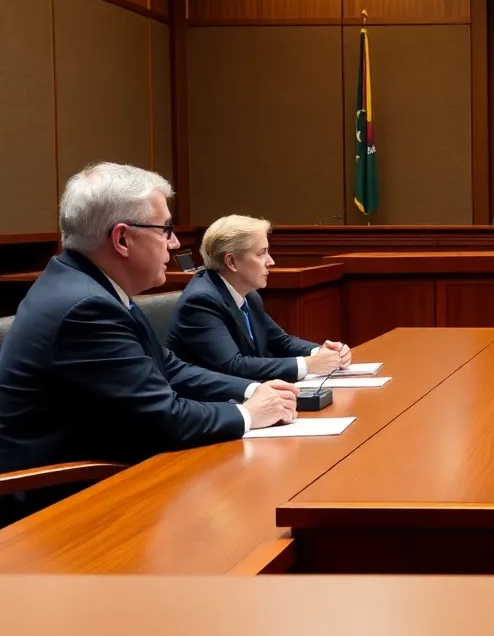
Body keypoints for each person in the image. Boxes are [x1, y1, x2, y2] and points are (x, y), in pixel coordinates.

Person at [0, 164, 298, 520]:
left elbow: (167, 366)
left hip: (104, 468)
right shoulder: (86, 307)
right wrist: (248, 414)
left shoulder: (90, 286)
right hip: (58, 504)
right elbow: (164, 420)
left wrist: (253, 390)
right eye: (166, 229)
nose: (174, 243)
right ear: (122, 239)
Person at [167, 215, 351, 382]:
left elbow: (281, 341)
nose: (270, 261)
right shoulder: (201, 302)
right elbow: (233, 366)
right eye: (261, 253)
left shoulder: (249, 294)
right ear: (231, 262)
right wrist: (308, 365)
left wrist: (322, 352)